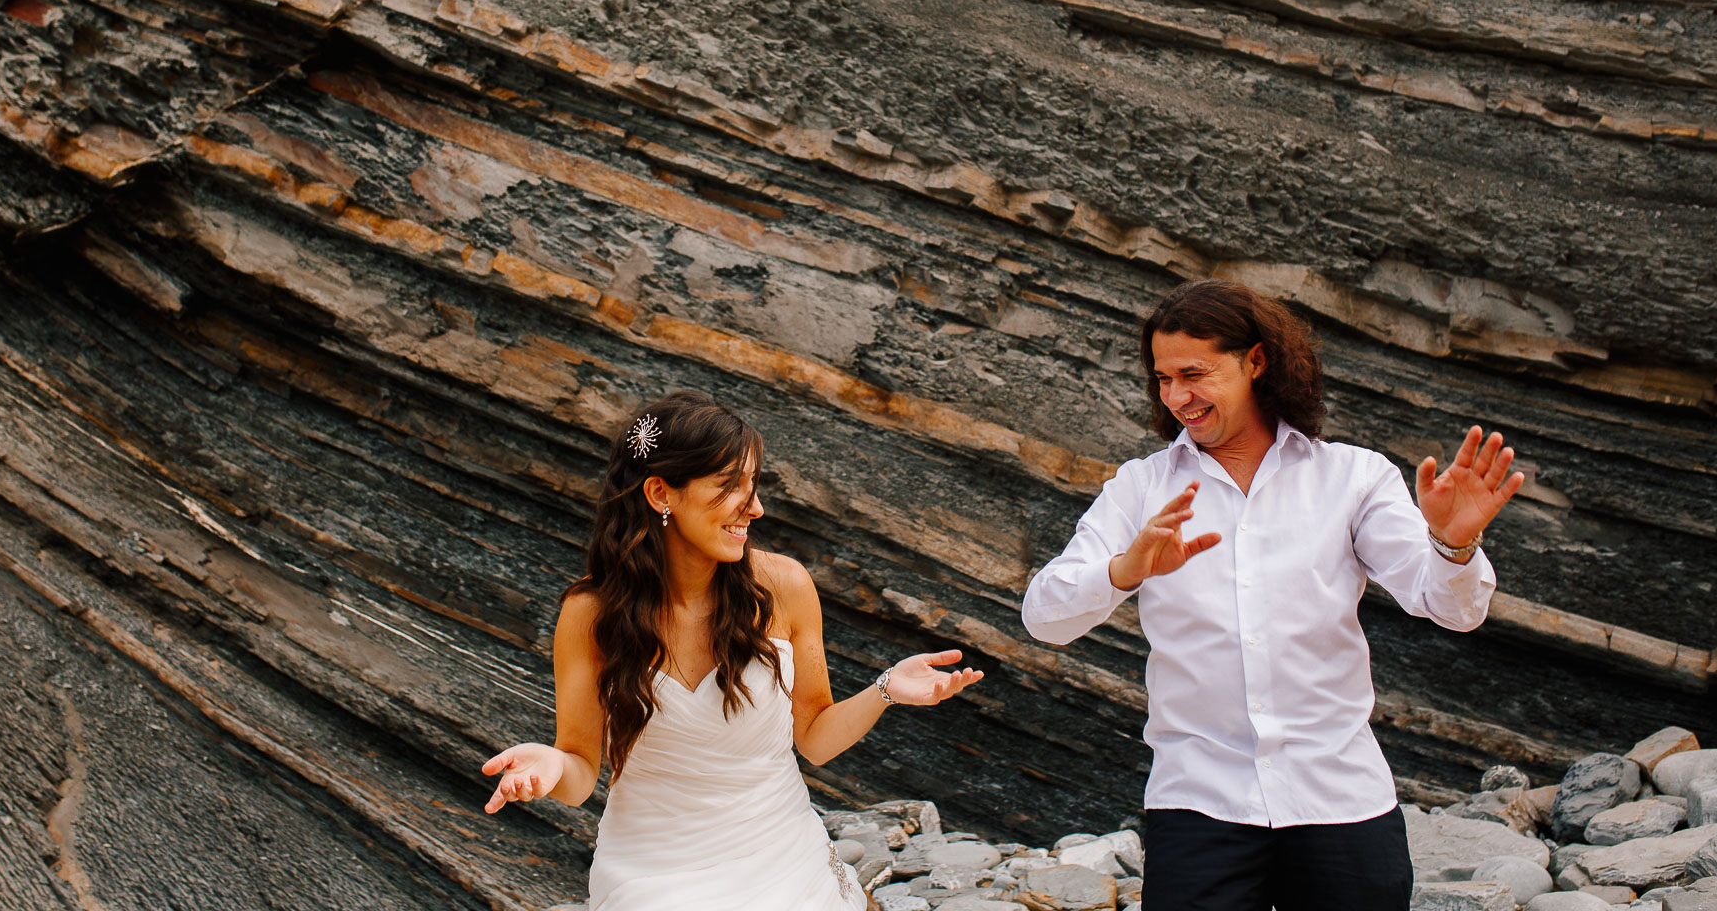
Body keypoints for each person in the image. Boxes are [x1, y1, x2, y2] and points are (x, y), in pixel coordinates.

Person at [1022, 280, 1525, 911]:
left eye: (1193, 374)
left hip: (1339, 793)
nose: (1177, 396)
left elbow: (1453, 608)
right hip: (1199, 798)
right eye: (1162, 378)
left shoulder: (1354, 477)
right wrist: (1125, 569)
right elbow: (1044, 617)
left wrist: (1452, 544)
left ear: (1256, 362)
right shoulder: (1140, 489)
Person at [482, 390, 983, 911]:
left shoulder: (784, 585)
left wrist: (886, 690)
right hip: (652, 870)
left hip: (783, 858)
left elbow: (813, 738)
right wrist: (552, 766)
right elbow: (582, 772)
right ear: (660, 493)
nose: (756, 507)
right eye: (729, 487)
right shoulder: (590, 613)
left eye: (753, 485)